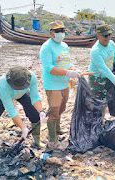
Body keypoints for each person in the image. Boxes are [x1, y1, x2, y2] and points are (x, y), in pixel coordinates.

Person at [0, 66, 47, 150]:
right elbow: (11, 110)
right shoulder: (3, 85)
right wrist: (23, 128)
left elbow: (35, 96)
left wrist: (41, 111)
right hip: (4, 94)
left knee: (34, 114)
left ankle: (37, 140)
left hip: (23, 93)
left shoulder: (31, 77)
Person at [39, 20, 79, 149]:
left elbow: (68, 62)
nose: (61, 33)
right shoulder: (46, 47)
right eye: (58, 31)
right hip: (52, 85)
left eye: (63, 31)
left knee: (62, 108)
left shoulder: (65, 46)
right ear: (51, 33)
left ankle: (58, 128)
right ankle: (52, 138)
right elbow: (49, 68)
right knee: (54, 110)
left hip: (64, 83)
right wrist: (68, 73)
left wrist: (72, 71)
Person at [88, 24, 115, 101]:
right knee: (97, 103)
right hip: (97, 79)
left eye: (109, 35)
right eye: (105, 35)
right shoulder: (95, 51)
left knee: (107, 101)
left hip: (109, 76)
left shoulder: (111, 43)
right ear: (98, 36)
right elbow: (102, 68)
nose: (108, 37)